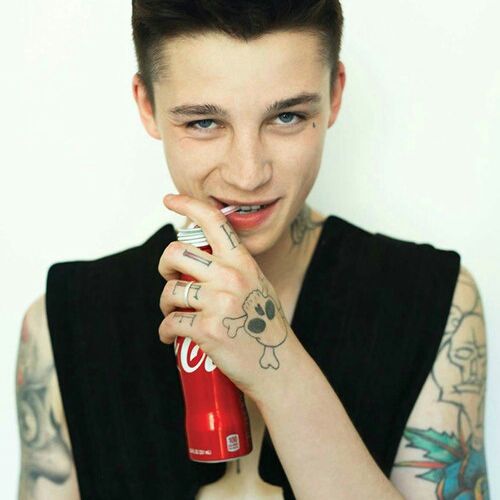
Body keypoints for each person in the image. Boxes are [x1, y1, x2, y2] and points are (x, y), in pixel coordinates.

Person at [15, 1, 490, 499]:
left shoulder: (437, 302)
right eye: (204, 122)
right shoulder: (61, 325)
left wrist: (276, 364)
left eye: (287, 116)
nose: (248, 174)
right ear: (147, 105)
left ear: (334, 94)